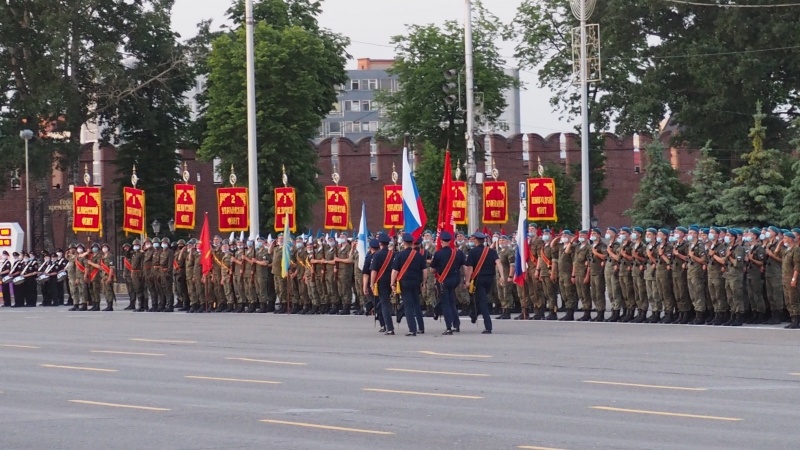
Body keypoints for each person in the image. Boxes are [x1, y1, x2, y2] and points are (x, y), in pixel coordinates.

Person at [463, 231, 502, 334]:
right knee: (482, 299)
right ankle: (474, 314)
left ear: (476, 240)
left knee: (482, 302)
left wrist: (467, 280)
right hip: (490, 279)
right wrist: (502, 276)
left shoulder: (472, 252)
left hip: (478, 279)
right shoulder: (492, 251)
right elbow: (498, 263)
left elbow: (470, 268)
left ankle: (488, 326)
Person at [390, 233, 427, 336]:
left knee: (408, 306)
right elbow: (424, 271)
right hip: (416, 282)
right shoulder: (419, 255)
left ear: (404, 243)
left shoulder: (400, 255)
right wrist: (423, 282)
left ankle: (412, 329)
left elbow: (395, 271)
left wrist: (392, 283)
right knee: (416, 304)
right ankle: (421, 327)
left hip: (404, 282)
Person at [431, 231, 465, 335]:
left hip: (443, 280)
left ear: (441, 241)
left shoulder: (438, 253)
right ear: (450, 241)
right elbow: (463, 265)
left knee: (446, 304)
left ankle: (449, 327)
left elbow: (432, 269)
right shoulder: (458, 252)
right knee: (452, 302)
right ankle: (456, 324)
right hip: (455, 279)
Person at [370, 233, 395, 335]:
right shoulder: (393, 254)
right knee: (386, 303)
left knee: (384, 304)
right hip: (391, 281)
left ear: (380, 243)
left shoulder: (377, 255)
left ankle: (389, 327)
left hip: (381, 281)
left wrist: (372, 283)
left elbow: (374, 271)